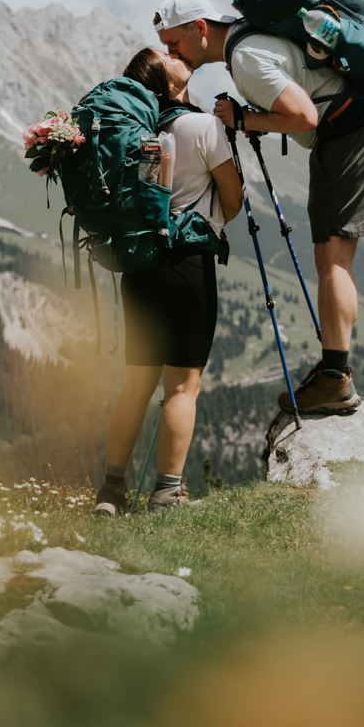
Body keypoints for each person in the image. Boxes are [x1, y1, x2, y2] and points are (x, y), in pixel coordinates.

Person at [152, 0, 364, 413]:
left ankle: (334, 377)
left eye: (175, 43)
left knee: (332, 257)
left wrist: (244, 120)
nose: (172, 53)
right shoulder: (259, 30)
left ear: (199, 28)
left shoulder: (245, 59)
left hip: (351, 134)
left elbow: (305, 117)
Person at [92, 47, 244, 516]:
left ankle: (111, 492)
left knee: (135, 384)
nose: (179, 55)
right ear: (165, 79)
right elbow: (233, 202)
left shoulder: (131, 133)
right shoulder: (201, 127)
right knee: (182, 387)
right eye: (168, 56)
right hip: (186, 264)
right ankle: (166, 494)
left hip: (139, 265)